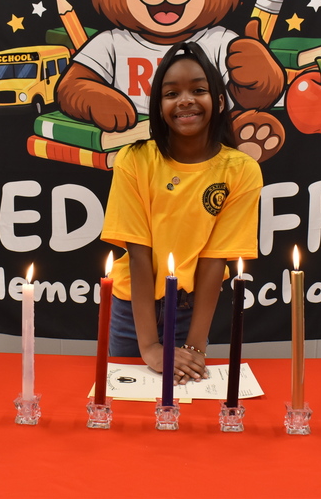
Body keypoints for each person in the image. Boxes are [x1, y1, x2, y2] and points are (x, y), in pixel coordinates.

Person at [101, 42, 263, 385]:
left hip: (191, 313)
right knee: (128, 407)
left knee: (183, 406)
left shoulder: (241, 170)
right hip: (133, 311)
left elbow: (215, 259)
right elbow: (139, 254)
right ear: (159, 107)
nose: (185, 100)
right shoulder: (134, 160)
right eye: (171, 93)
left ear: (219, 101)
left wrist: (196, 345)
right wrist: (149, 345)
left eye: (199, 90)